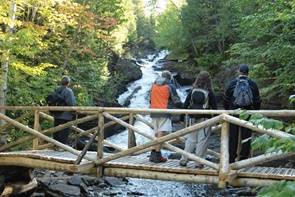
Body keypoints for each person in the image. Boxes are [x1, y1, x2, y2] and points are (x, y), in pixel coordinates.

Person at [223, 64, 261, 163]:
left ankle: (231, 159)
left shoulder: (232, 83)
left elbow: (226, 99)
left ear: (239, 72)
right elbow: (257, 100)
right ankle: (243, 159)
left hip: (234, 112)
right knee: (246, 136)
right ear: (248, 73)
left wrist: (228, 110)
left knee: (233, 136)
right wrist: (255, 111)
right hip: (247, 112)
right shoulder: (253, 84)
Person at [179, 71, 218, 168]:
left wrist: (181, 117)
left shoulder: (192, 91)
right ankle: (198, 162)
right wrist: (217, 121)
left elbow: (185, 105)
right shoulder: (210, 93)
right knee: (202, 140)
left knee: (190, 139)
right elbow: (215, 108)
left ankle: (184, 159)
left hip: (192, 118)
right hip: (205, 119)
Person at [149, 70, 183, 163]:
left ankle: (152, 153)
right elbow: (176, 101)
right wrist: (185, 108)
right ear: (169, 78)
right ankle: (157, 154)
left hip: (153, 110)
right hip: (164, 111)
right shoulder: (170, 86)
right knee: (161, 132)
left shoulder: (153, 85)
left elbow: (150, 99)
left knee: (156, 132)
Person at [53, 76, 76, 151]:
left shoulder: (56, 90)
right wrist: (74, 111)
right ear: (68, 83)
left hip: (56, 113)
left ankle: (55, 145)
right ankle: (61, 146)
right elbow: (71, 103)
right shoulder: (68, 91)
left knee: (56, 130)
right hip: (65, 114)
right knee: (64, 130)